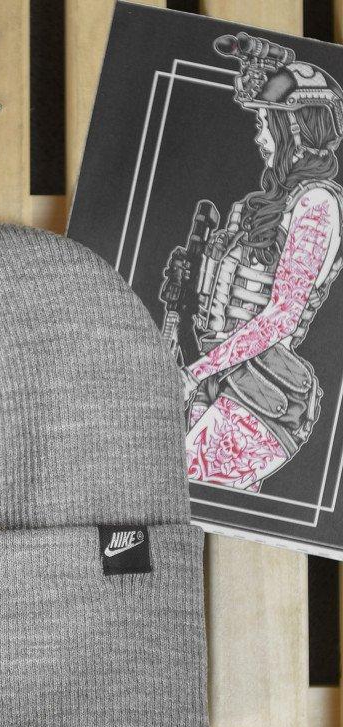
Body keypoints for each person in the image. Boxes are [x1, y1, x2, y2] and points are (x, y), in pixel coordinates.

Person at [179, 33, 343, 491]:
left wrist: (195, 373)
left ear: (295, 131)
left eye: (266, 123)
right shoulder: (273, 202)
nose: (260, 136)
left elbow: (282, 316)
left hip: (262, 392)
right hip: (218, 375)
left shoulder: (316, 205)